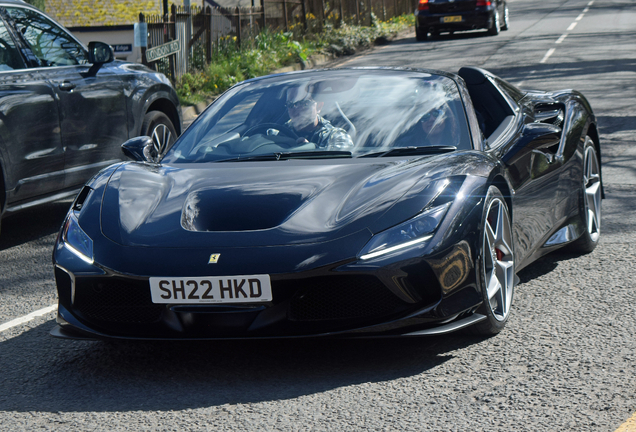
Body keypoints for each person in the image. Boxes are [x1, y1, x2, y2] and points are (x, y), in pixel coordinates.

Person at [284, 85, 353, 150]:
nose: (298, 109)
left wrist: (311, 151)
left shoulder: (336, 136)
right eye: (291, 104)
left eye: (305, 103)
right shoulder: (278, 134)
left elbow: (342, 160)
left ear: (319, 106)